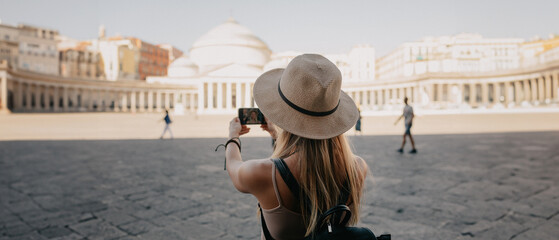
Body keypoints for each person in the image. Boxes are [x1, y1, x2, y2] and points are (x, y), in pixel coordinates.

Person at [223, 54, 369, 239]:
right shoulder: (357, 168)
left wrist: (232, 136)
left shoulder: (262, 172)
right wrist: (277, 135)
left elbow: (233, 166)